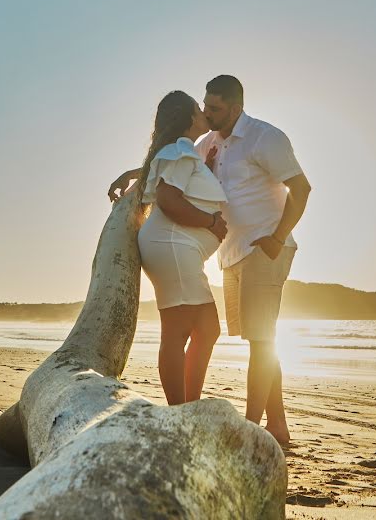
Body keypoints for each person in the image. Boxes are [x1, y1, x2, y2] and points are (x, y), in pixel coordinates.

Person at [110, 76, 311, 444]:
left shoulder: (265, 138)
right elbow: (172, 165)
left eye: (214, 108)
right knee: (260, 340)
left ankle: (251, 428)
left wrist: (277, 238)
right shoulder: (208, 142)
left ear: (235, 108)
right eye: (204, 106)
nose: (206, 113)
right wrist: (134, 175)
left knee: (260, 340)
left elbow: (301, 188)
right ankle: (277, 426)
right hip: (233, 255)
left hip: (264, 248)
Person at [109, 90, 228, 406]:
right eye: (198, 109)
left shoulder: (182, 152)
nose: (204, 112)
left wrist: (208, 167)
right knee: (180, 332)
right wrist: (211, 223)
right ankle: (181, 408)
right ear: (190, 118)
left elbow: (179, 188)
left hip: (172, 245)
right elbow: (169, 200)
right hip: (173, 245)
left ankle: (186, 405)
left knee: (206, 329)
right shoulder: (180, 150)